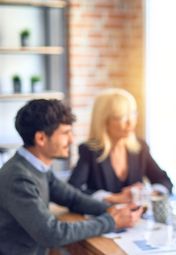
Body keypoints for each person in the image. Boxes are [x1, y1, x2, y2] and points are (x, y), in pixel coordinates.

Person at [0, 99, 142, 255]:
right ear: (40, 138)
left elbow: (72, 197)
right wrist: (111, 221)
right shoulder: (19, 178)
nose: (72, 140)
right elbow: (52, 233)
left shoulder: (37, 168)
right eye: (66, 133)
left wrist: (111, 209)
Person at [68, 88, 173, 204]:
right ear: (104, 121)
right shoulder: (89, 151)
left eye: (132, 114)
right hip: (105, 218)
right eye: (121, 117)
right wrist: (111, 198)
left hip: (137, 218)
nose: (130, 122)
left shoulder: (140, 147)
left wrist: (149, 192)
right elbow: (71, 191)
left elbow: (164, 181)